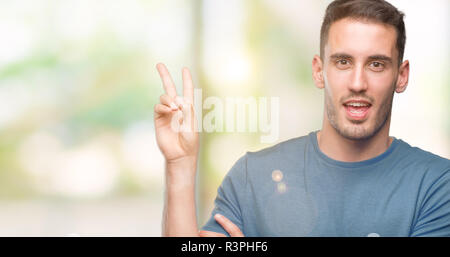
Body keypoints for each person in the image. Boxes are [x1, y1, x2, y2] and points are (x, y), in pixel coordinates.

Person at [154, 0, 450, 237]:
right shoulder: (252, 178)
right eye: (343, 62)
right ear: (319, 71)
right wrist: (180, 165)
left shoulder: (437, 185)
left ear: (401, 76)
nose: (358, 82)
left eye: (376, 64)